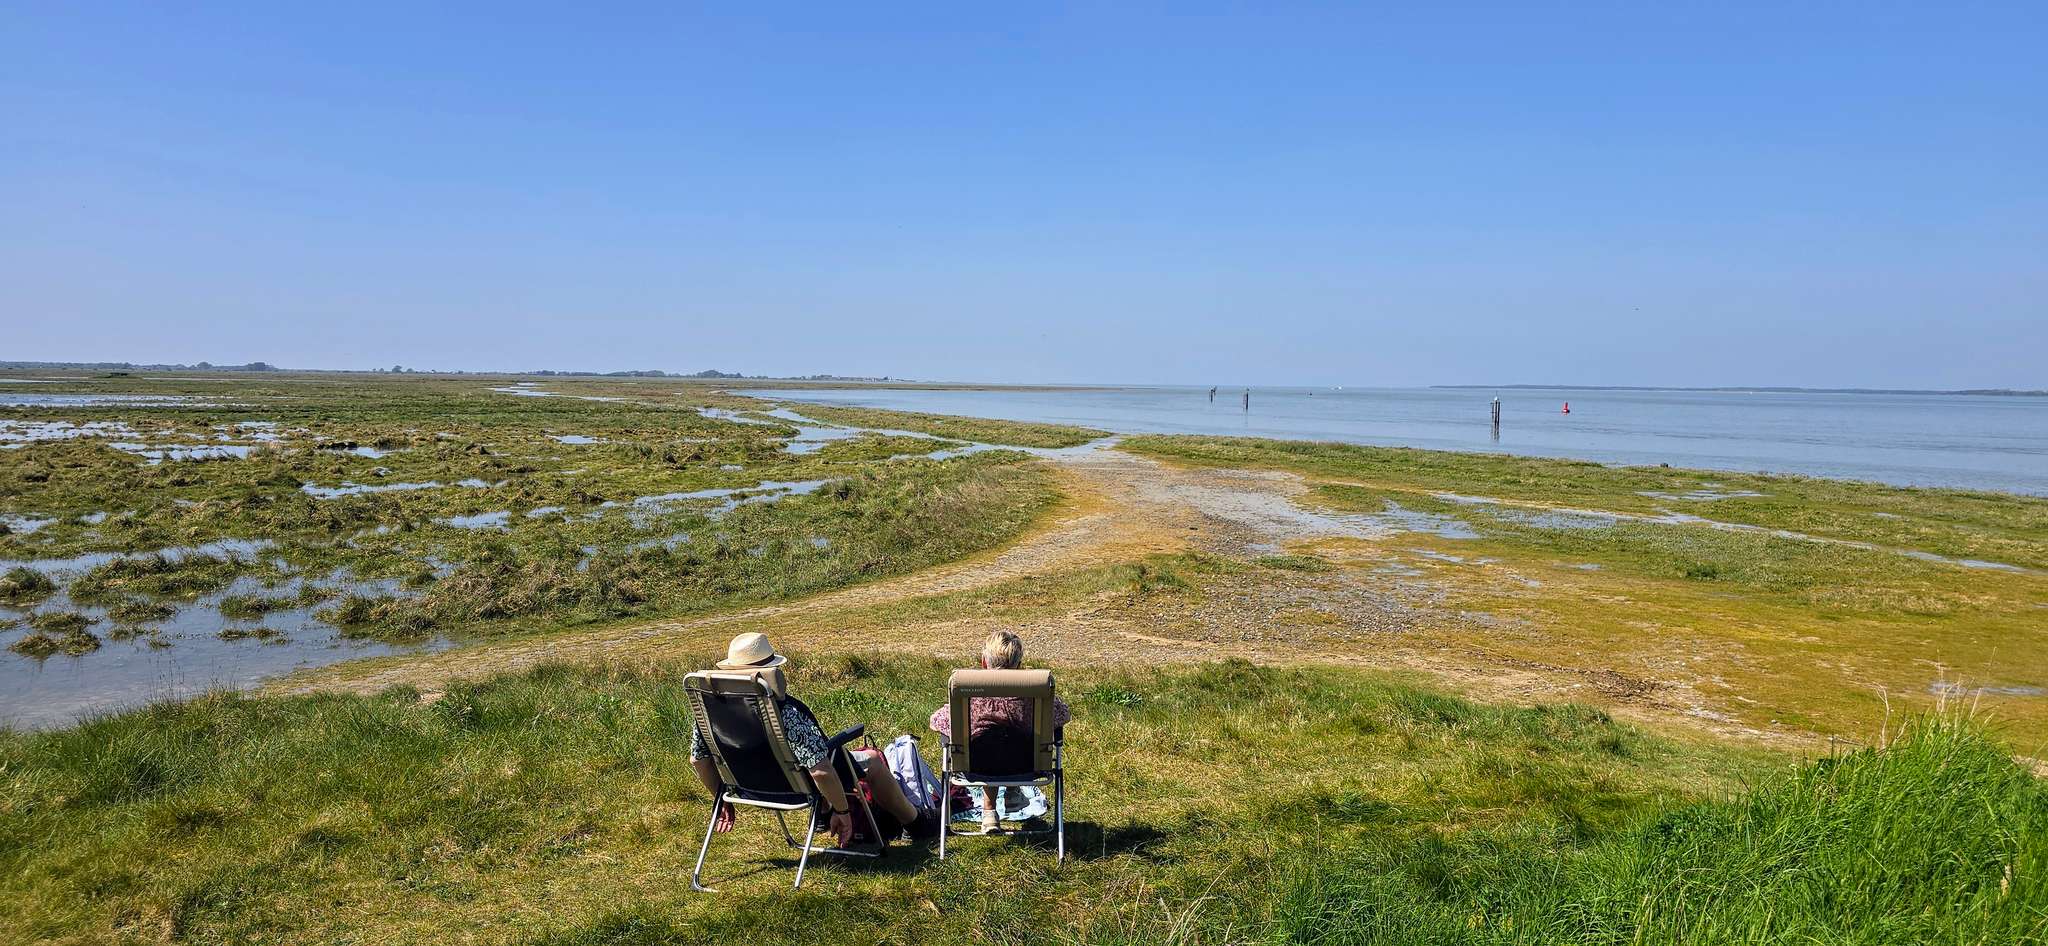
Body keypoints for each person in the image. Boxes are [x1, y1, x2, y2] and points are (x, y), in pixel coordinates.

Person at [689, 632, 938, 845]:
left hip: (746, 789)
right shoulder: (785, 713)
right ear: (772, 671)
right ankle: (916, 823)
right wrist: (842, 810)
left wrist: (720, 799)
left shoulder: (710, 713)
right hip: (797, 788)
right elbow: (820, 771)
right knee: (871, 759)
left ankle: (822, 815)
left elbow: (698, 760)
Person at [929, 629, 1072, 833]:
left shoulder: (968, 694)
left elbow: (936, 721)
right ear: (1019, 666)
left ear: (983, 662)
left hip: (976, 766)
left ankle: (989, 813)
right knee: (1010, 738)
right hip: (1027, 767)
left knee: (988, 741)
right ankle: (1013, 793)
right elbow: (1063, 714)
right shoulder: (1035, 693)